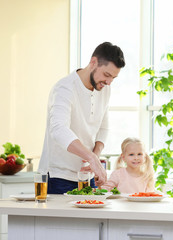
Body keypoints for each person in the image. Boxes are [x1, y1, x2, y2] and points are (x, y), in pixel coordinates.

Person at [38, 42, 126, 194]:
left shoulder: (104, 89)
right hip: (58, 176)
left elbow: (103, 128)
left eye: (113, 78)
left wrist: (94, 160)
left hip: (86, 176)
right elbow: (58, 129)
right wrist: (92, 158)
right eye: (107, 75)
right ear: (93, 62)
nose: (109, 82)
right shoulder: (65, 88)